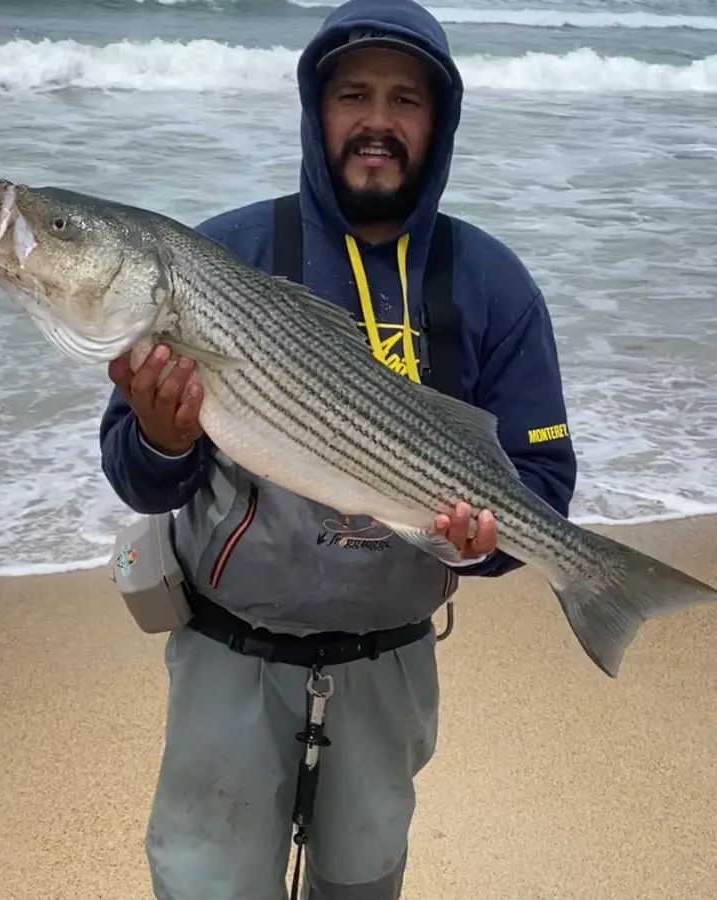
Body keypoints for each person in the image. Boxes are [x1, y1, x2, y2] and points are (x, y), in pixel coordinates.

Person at [99, 0, 577, 897]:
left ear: (440, 122)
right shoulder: (224, 255)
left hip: (390, 661)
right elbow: (132, 468)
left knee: (363, 884)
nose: (378, 122)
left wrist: (483, 549)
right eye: (353, 93)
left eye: (407, 100)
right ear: (316, 110)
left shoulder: (492, 284)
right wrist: (163, 438)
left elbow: (542, 489)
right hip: (228, 653)